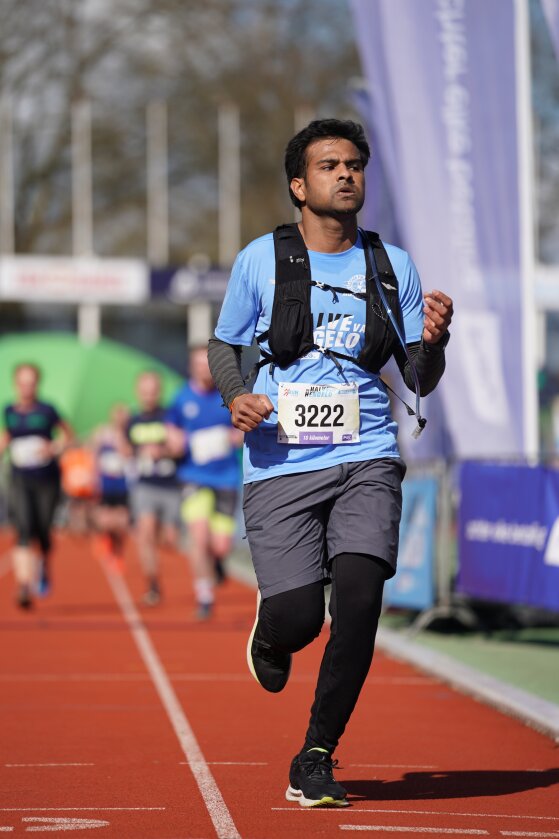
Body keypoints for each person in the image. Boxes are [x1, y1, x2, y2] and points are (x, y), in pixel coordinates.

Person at [208, 119, 453, 807]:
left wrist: (436, 341)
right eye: (328, 165)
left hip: (367, 455)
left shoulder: (392, 265)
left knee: (360, 600)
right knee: (300, 622)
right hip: (280, 461)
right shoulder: (261, 259)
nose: (345, 174)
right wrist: (236, 395)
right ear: (299, 184)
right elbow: (224, 345)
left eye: (354, 165)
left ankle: (314, 754)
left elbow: (418, 378)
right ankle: (273, 631)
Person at [169, 346, 243, 620]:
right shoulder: (181, 398)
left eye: (208, 364)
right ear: (191, 367)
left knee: (221, 545)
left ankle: (217, 561)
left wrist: (233, 437)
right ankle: (204, 595)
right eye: (199, 364)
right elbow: (171, 434)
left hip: (225, 477)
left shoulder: (229, 395)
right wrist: (177, 442)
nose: (204, 370)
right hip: (193, 477)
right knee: (198, 537)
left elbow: (243, 429)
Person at [0, 363, 73, 608]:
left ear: (37, 384)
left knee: (42, 530)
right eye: (22, 382)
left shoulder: (47, 410)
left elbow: (68, 435)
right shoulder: (9, 410)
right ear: (16, 384)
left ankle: (43, 564)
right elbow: (8, 436)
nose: (26, 387)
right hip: (20, 477)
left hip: (47, 479)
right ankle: (23, 586)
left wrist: (53, 447)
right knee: (23, 528)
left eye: (31, 383)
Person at [126, 371, 183, 606]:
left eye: (153, 391)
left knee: (170, 539)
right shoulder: (133, 421)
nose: (148, 396)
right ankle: (152, 583)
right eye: (144, 392)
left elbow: (182, 447)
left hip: (171, 485)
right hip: (145, 485)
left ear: (159, 392)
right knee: (145, 533)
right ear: (138, 393)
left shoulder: (170, 417)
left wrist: (164, 451)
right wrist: (138, 452)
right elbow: (125, 450)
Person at [90, 403, 131, 572]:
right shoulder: (102, 433)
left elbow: (129, 454)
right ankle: (107, 542)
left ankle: (118, 552)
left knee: (122, 522)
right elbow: (93, 454)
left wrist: (121, 441)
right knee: (104, 521)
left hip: (122, 484)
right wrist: (93, 478)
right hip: (106, 483)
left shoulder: (129, 435)